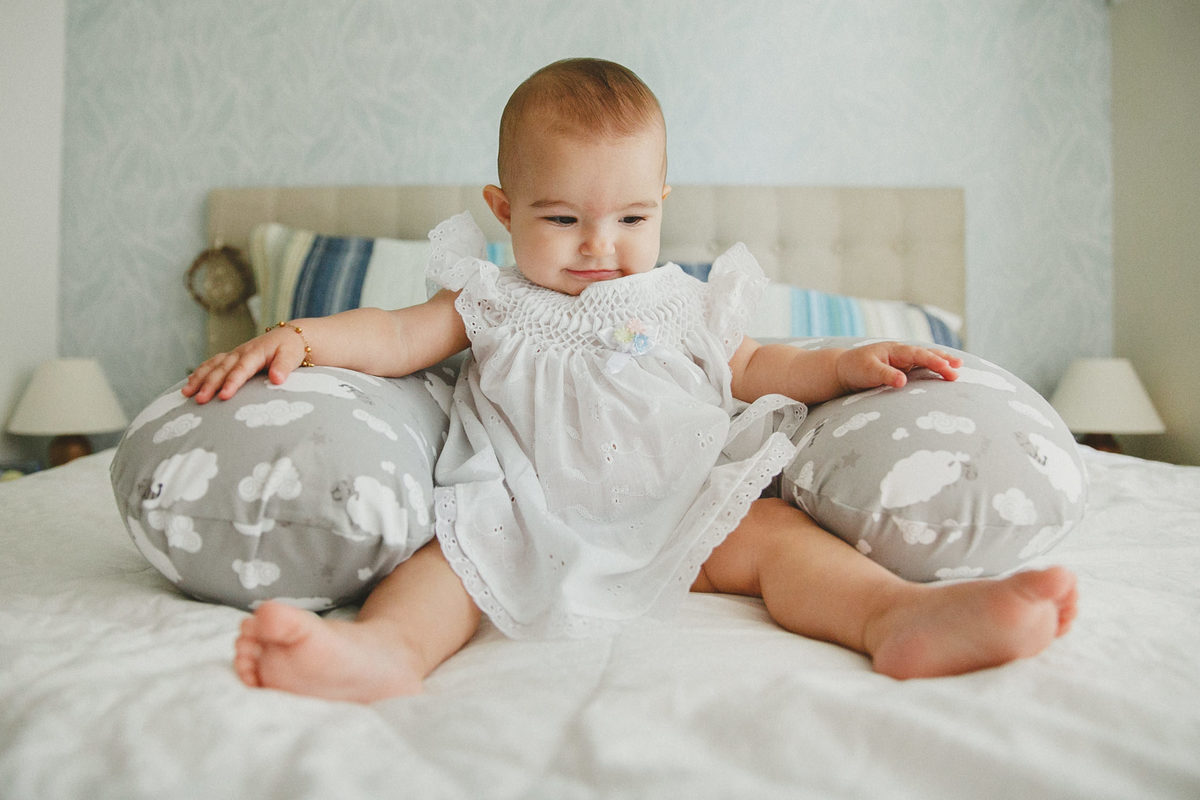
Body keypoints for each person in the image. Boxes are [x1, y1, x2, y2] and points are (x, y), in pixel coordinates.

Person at [184, 58, 1077, 703]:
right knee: (438, 568)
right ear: (503, 210)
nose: (599, 246)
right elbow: (391, 335)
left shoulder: (679, 298)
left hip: (680, 505)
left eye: (631, 217)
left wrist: (844, 364)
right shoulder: (487, 297)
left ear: (663, 203)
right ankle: (383, 653)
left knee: (778, 539)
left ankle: (896, 619)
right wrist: (301, 336)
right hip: (522, 515)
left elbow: (756, 364)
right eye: (563, 216)